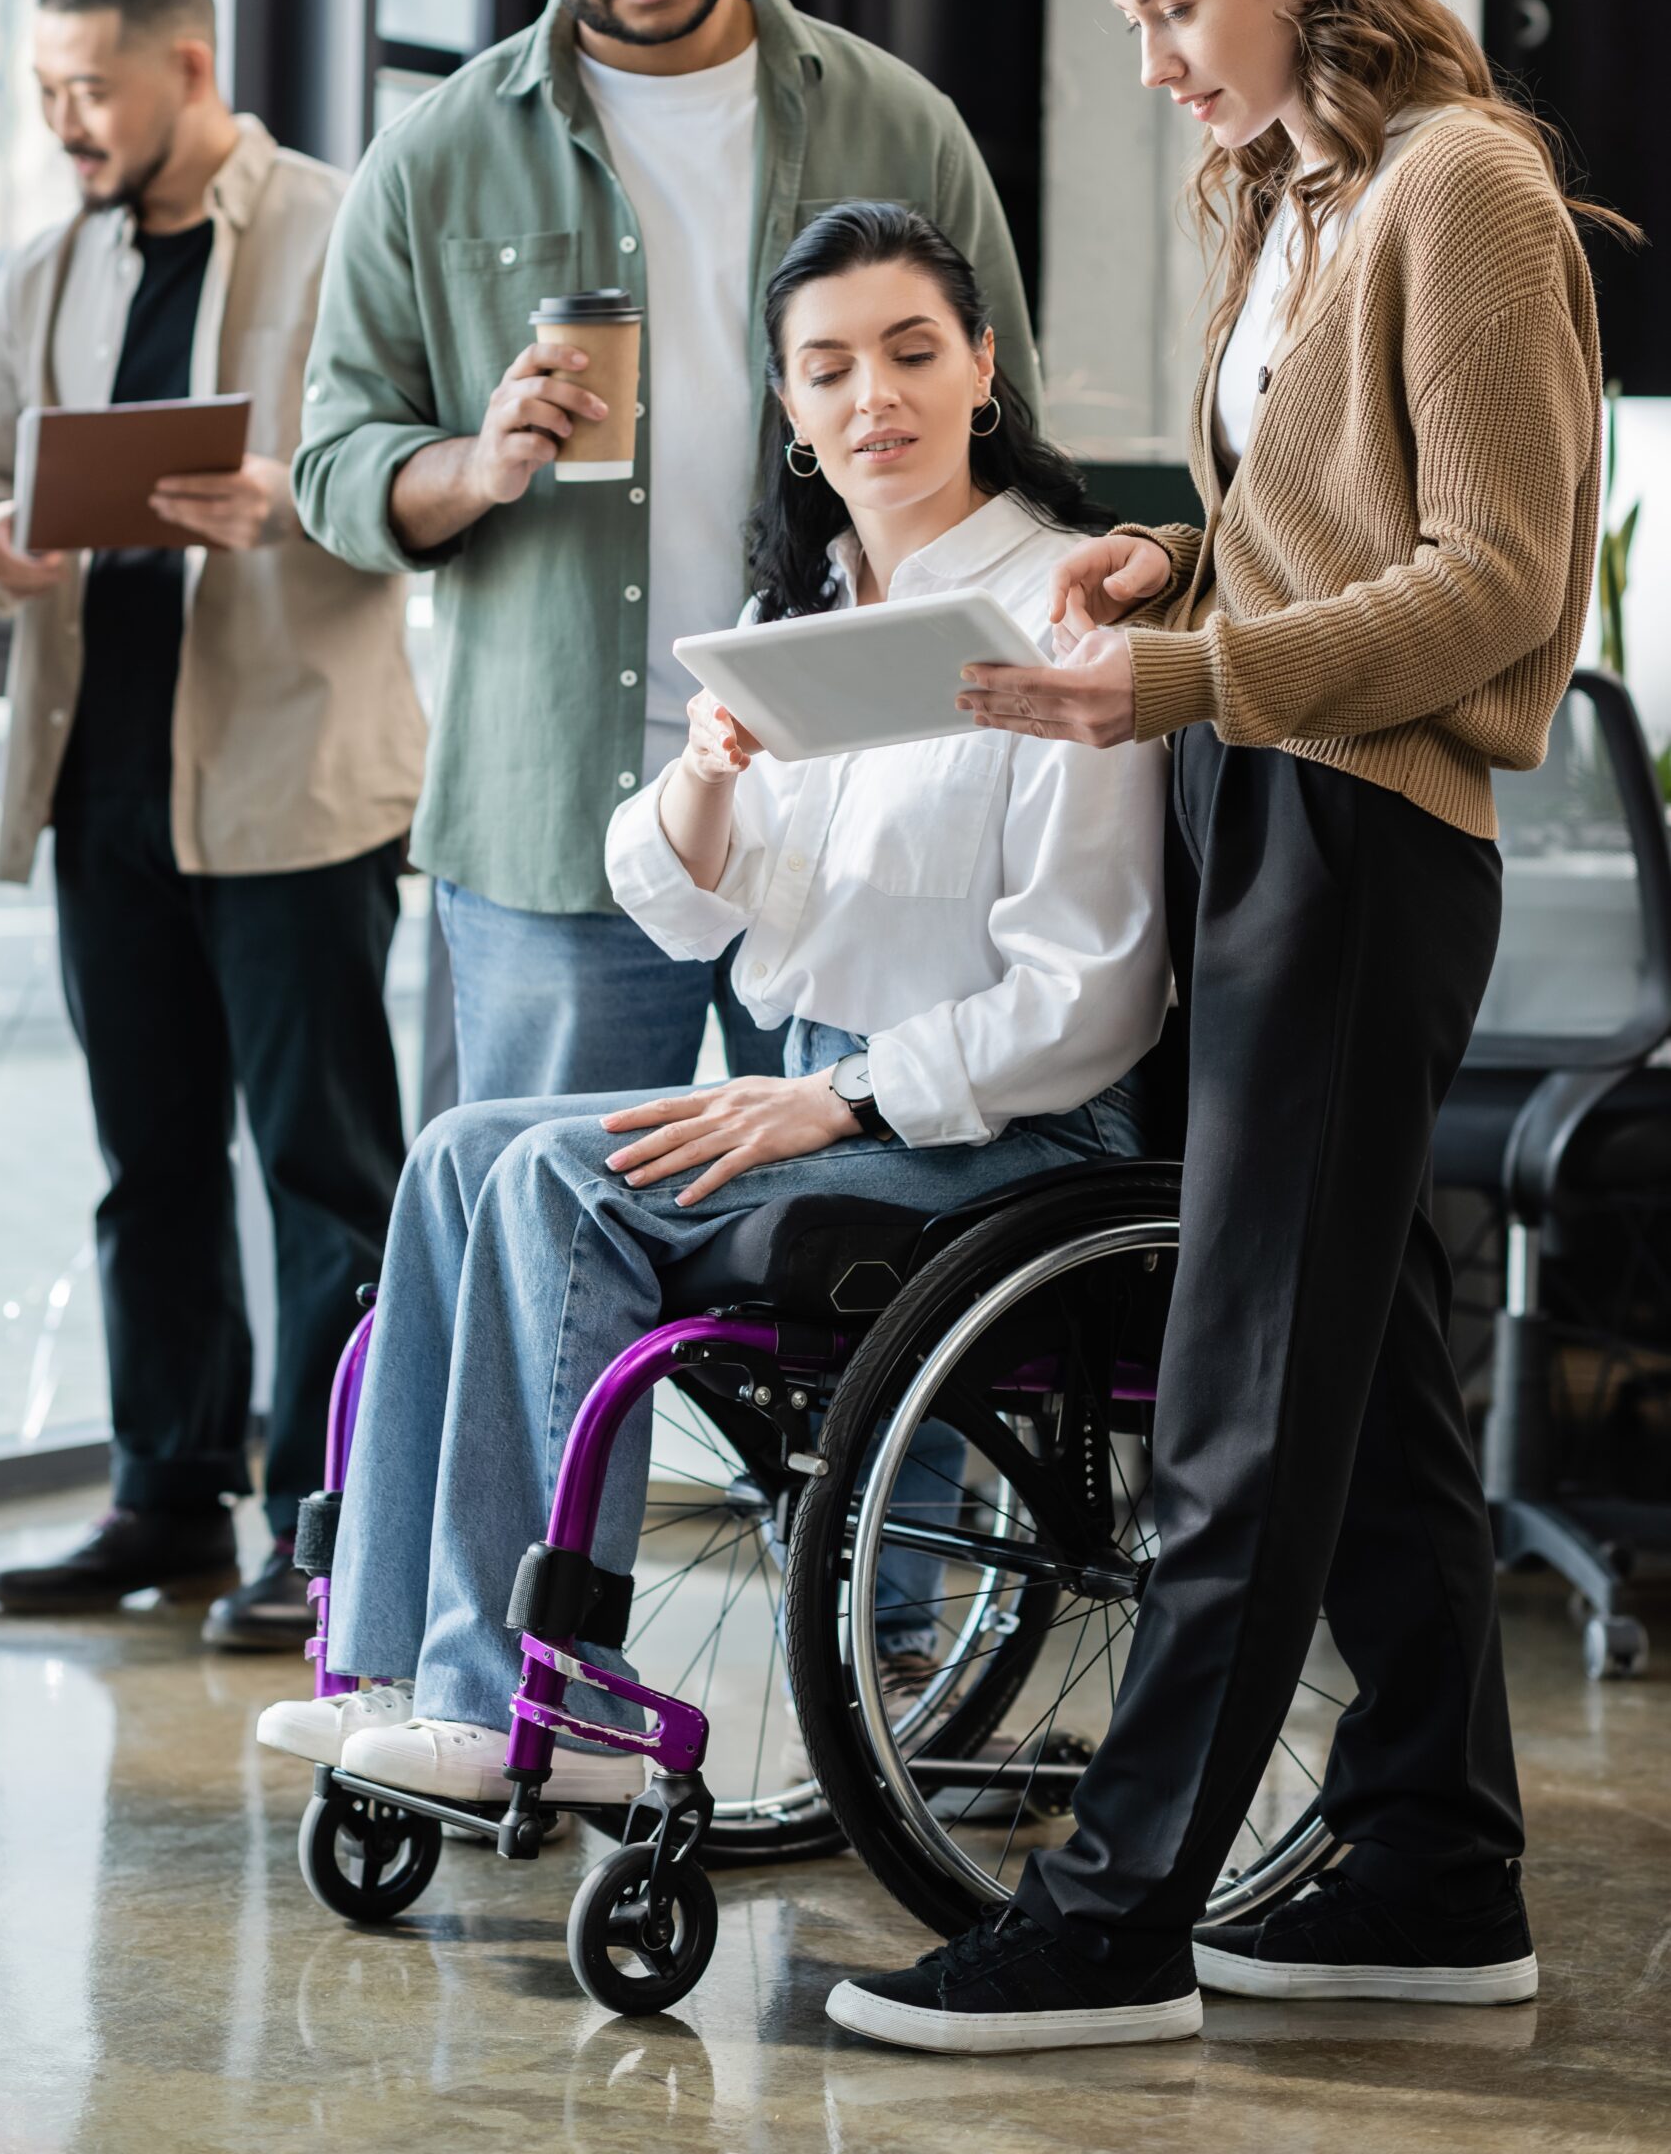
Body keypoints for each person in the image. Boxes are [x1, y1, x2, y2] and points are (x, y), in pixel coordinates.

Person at [826, 0, 1624, 2057]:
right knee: (1354, 1386)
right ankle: (1435, 1858)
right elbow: (1343, 520)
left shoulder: (1460, 180)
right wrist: (1175, 563)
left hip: (1363, 834)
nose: (1159, 58)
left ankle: (1114, 1908)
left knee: (1238, 1398)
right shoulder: (1300, 187)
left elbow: (1497, 582)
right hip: (1265, 806)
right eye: (1135, 20)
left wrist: (1190, 665)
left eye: (1179, 5)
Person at [255, 204, 1168, 1807]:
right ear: (791, 411)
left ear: (980, 371)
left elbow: (1090, 998)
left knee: (555, 1178)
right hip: (836, 1097)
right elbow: (673, 898)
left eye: (906, 352)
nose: (869, 395)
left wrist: (842, 1098)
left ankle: (535, 1693)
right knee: (464, 1144)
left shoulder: (1062, 618)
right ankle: (393, 1658)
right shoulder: (796, 619)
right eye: (825, 370)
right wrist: (701, 774)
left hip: (996, 1132)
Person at [292, 0, 1040, 1106]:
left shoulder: (898, 121)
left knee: (850, 1259)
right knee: (555, 1249)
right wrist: (474, 464)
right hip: (556, 826)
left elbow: (1013, 439)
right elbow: (333, 470)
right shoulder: (434, 156)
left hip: (852, 804)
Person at [0, 0, 425, 1647]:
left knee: (323, 1168)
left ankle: (324, 1526)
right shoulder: (48, 271)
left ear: (189, 64)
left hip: (291, 772)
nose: (67, 122)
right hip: (105, 777)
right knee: (144, 1154)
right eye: (46, 93)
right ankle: (165, 1494)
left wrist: (296, 501)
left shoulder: (336, 225)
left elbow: (415, 468)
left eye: (91, 87)